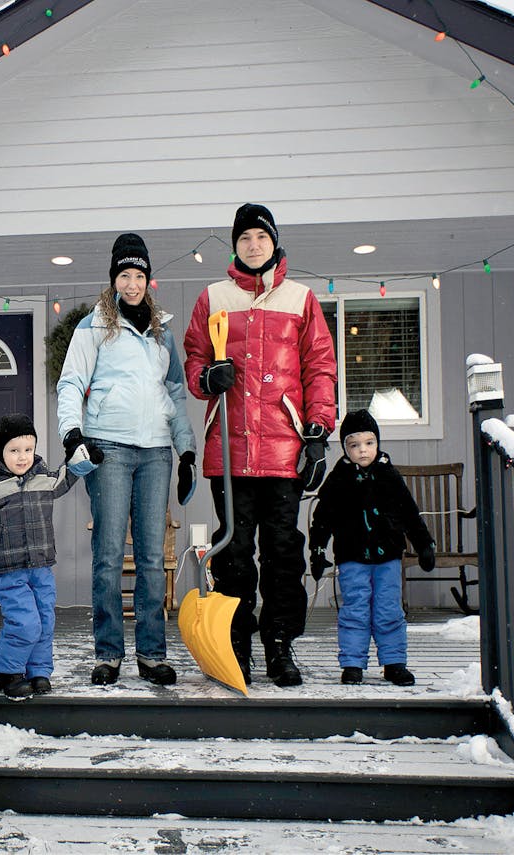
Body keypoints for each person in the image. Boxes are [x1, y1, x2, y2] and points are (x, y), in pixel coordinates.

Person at [182, 203, 337, 688]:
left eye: (261, 238)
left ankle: (279, 645)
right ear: (236, 246)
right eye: (245, 238)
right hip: (228, 453)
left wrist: (317, 432)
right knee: (234, 555)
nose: (253, 245)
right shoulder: (213, 297)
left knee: (283, 553)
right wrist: (207, 377)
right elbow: (193, 357)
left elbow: (320, 367)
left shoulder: (300, 298)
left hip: (284, 451)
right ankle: (237, 645)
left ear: (274, 243)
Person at [56, 233, 197, 687]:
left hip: (156, 451)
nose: (132, 284)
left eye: (139, 275)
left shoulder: (163, 333)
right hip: (110, 449)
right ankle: (109, 653)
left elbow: (174, 392)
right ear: (113, 279)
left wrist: (186, 449)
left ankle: (152, 655)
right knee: (109, 556)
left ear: (148, 281)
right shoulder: (92, 327)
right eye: (125, 275)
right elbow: (71, 383)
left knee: (153, 558)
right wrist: (72, 433)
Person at [0, 413, 77, 698]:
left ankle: (39, 671)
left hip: (41, 565)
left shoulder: (43, 478)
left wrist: (83, 459)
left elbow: (65, 479)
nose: (22, 457)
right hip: (8, 569)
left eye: (28, 450)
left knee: (45, 619)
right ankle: (9, 672)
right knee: (25, 622)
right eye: (14, 450)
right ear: (1, 452)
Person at [307, 410, 435, 686]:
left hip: (387, 555)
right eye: (354, 445)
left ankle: (393, 662)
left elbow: (409, 513)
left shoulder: (389, 475)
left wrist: (424, 543)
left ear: (378, 443)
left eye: (369, 443)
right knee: (355, 608)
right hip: (352, 556)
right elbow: (323, 517)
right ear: (345, 448)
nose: (363, 450)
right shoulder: (338, 478)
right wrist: (317, 550)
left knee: (388, 608)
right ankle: (353, 664)